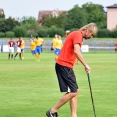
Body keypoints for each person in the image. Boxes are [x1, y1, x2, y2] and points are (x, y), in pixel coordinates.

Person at [46, 23, 98, 117]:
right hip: (64, 65)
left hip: (66, 66)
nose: (91, 37)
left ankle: (73, 115)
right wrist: (86, 65)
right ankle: (52, 111)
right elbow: (76, 51)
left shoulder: (77, 35)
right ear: (86, 30)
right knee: (73, 91)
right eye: (91, 34)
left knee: (75, 90)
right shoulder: (78, 34)